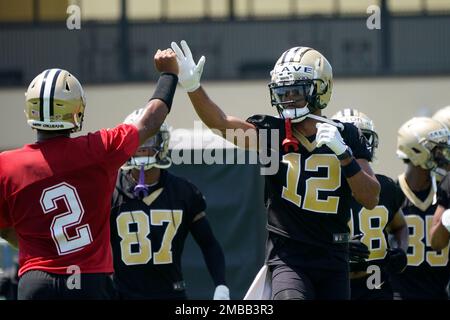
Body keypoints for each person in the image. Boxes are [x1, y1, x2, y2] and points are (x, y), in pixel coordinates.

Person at [171, 40, 380, 300]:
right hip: (289, 258)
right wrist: (192, 87)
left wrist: (344, 154)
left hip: (333, 256)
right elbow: (220, 123)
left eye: (296, 91)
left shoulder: (346, 134)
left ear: (321, 89)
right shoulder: (271, 134)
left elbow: (370, 198)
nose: (288, 98)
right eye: (283, 92)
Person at [0, 48, 179, 299]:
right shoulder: (99, 149)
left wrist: (39, 245)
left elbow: (5, 228)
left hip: (35, 282)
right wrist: (169, 74)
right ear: (77, 111)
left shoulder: (6, 165)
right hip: (89, 281)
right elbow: (151, 119)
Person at [110, 117, 230, 300]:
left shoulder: (183, 192)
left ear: (162, 142)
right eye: (137, 139)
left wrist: (221, 285)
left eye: (149, 139)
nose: (142, 146)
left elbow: (209, 244)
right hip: (122, 295)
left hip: (170, 294)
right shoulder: (110, 191)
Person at [332, 108, 409, 300]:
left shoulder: (384, 187)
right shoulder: (320, 188)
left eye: (363, 139)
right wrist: (340, 244)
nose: (359, 146)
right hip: (334, 279)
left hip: (375, 282)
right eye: (350, 140)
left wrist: (400, 249)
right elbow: (307, 234)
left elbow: (399, 226)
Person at [390, 117, 450, 300]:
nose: (443, 154)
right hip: (399, 294)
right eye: (437, 149)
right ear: (417, 151)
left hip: (439, 294)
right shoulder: (391, 193)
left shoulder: (445, 193)